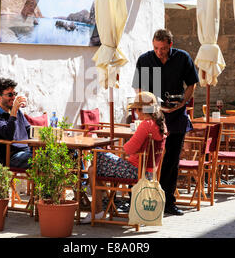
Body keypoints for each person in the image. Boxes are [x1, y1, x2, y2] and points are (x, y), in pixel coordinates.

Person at [132, 29, 199, 216]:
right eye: (155, 47)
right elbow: (141, 90)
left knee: (172, 162)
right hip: (153, 118)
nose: (159, 52)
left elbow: (191, 84)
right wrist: (150, 111)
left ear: (170, 44)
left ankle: (168, 202)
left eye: (162, 48)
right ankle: (143, 200)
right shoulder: (145, 60)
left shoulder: (182, 58)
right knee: (148, 160)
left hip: (176, 117)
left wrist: (182, 103)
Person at [82, 91, 167, 224]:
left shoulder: (146, 125)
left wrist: (117, 151)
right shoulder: (160, 125)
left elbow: (128, 148)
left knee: (96, 155)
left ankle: (97, 207)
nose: (135, 113)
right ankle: (98, 207)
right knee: (94, 168)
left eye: (136, 110)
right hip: (147, 172)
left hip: (134, 171)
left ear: (142, 110)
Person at [0, 77, 32, 168]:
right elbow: (9, 135)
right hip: (12, 157)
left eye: (15, 94)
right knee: (42, 159)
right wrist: (14, 112)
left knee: (57, 152)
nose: (14, 98)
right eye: (10, 95)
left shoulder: (16, 111)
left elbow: (29, 129)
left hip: (27, 151)